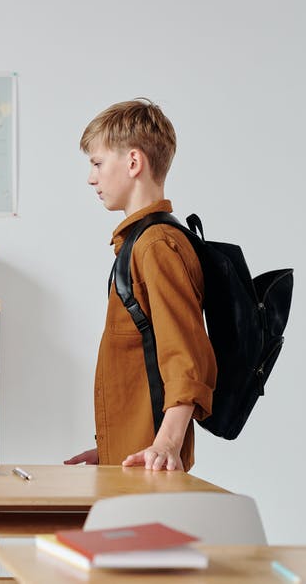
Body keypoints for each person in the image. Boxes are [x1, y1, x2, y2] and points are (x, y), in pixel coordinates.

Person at [64, 98, 216, 472]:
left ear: (133, 163)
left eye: (97, 163)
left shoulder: (156, 246)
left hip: (151, 470)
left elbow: (184, 356)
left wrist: (166, 444)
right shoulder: (140, 244)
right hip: (134, 462)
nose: (91, 177)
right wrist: (114, 449)